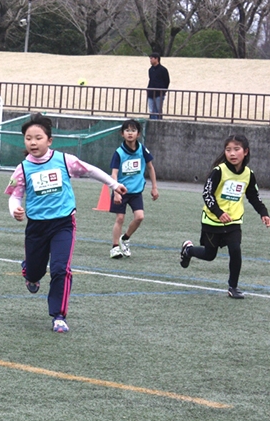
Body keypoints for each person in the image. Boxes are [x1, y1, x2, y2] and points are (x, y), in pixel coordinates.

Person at [4, 113, 127, 333]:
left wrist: (113, 184)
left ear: (49, 140)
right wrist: (15, 210)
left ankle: (58, 316)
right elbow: (14, 195)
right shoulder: (22, 168)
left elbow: (89, 170)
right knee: (34, 272)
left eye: (38, 137)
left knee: (61, 269)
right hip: (36, 227)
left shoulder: (64, 160)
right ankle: (29, 272)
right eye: (28, 138)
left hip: (63, 225)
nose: (33, 142)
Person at [180, 134, 270, 299]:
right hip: (212, 220)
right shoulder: (219, 171)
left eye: (236, 149)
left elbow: (254, 196)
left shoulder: (249, 174)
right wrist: (218, 213)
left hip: (234, 222)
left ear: (246, 152)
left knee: (235, 250)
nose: (232, 154)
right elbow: (207, 194)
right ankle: (188, 250)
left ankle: (233, 287)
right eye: (228, 150)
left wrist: (263, 213)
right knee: (209, 255)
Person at [109, 119, 159, 259]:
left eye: (133, 130)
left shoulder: (142, 149)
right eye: (127, 130)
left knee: (139, 217)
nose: (130, 133)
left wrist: (154, 187)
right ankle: (115, 247)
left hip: (136, 192)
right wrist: (116, 192)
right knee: (120, 218)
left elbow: (150, 167)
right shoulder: (119, 153)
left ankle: (125, 238)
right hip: (121, 191)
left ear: (138, 134)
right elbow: (113, 173)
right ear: (122, 134)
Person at [147, 53, 170, 120]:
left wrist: (163, 90)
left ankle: (158, 121)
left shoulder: (163, 70)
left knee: (158, 110)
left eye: (152, 58)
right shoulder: (150, 70)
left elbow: (167, 81)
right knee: (151, 110)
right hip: (151, 92)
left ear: (157, 59)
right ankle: (152, 121)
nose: (150, 60)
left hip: (159, 93)